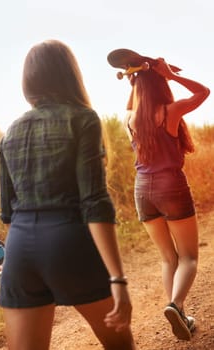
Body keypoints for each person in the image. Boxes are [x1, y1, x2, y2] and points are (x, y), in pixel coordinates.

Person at [0, 39, 136, 350]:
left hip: (19, 248)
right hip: (68, 240)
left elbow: (8, 210)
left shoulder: (11, 130)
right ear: (69, 74)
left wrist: (16, 259)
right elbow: (94, 202)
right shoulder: (82, 118)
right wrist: (117, 279)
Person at [122, 57, 209, 341]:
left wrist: (136, 77)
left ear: (136, 89)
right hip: (170, 186)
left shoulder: (130, 119)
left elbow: (130, 104)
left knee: (168, 258)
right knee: (189, 257)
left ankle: (180, 315)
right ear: (161, 86)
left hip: (142, 191)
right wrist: (170, 74)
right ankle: (176, 305)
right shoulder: (169, 112)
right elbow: (204, 92)